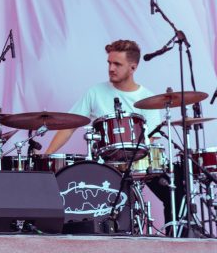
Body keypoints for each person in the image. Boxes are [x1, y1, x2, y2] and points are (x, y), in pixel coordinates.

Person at [42, 39, 179, 231]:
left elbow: (151, 140)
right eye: (109, 63)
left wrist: (133, 158)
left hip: (139, 164)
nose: (111, 68)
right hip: (104, 164)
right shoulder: (95, 92)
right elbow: (69, 126)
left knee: (175, 193)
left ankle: (175, 239)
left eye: (117, 64)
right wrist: (47, 155)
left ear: (133, 67)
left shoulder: (148, 99)